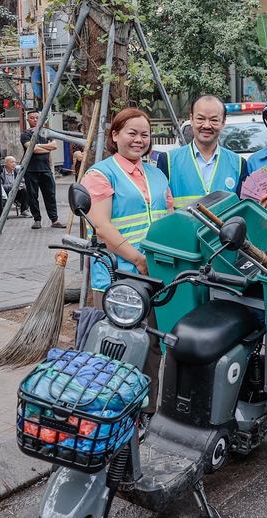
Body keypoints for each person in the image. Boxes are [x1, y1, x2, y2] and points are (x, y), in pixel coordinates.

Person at [80, 108, 170, 417]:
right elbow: (102, 227)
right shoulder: (100, 174)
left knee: (151, 349)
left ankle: (146, 414)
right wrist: (137, 259)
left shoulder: (157, 174)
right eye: (131, 132)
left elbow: (168, 221)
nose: (139, 139)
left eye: (144, 134)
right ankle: (106, 417)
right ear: (114, 135)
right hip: (116, 278)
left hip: (153, 278)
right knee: (112, 349)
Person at [156, 95, 247, 209]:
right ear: (192, 119)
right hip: (184, 227)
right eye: (200, 119)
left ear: (223, 123)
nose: (207, 125)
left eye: (214, 120)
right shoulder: (168, 161)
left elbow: (241, 210)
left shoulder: (239, 164)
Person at [20, 110, 65, 229]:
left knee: (50, 195)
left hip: (45, 169)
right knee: (32, 196)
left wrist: (37, 146)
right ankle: (37, 219)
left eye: (37, 118)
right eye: (32, 118)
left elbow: (54, 146)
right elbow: (31, 149)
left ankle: (54, 220)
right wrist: (45, 148)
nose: (35, 120)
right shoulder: (25, 134)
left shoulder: (46, 133)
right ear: (28, 120)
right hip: (31, 170)